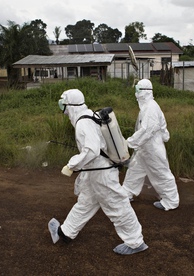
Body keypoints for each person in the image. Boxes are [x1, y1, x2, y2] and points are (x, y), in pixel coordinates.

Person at [48, 89, 148, 255]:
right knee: (86, 202)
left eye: (62, 104)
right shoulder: (89, 115)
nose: (62, 109)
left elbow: (92, 150)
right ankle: (65, 232)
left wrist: (72, 165)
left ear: (70, 105)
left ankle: (135, 241)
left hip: (101, 172)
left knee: (117, 204)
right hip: (96, 171)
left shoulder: (82, 122)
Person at [122, 79, 180, 211]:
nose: (135, 92)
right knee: (134, 170)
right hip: (144, 148)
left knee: (161, 173)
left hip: (152, 148)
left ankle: (171, 201)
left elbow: (147, 131)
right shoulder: (146, 107)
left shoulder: (151, 107)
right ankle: (127, 193)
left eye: (137, 90)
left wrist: (129, 142)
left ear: (144, 92)